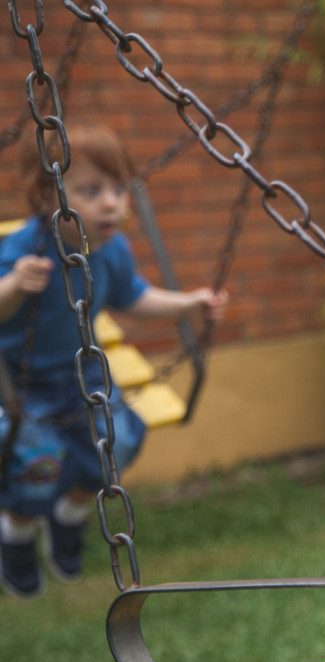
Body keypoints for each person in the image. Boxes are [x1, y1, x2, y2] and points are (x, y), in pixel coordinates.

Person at [0, 121, 228, 600]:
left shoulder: (112, 249)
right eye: (92, 189)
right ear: (48, 197)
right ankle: (17, 533)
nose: (112, 202)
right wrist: (14, 285)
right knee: (33, 465)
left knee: (115, 446)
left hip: (81, 369)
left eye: (119, 189)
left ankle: (70, 517)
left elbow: (132, 297)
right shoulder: (23, 250)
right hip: (19, 379)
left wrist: (188, 303)